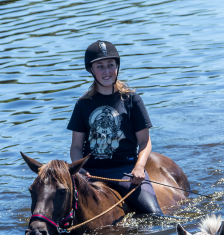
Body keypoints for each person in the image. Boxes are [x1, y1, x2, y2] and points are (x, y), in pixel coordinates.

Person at [67, 40, 164, 215]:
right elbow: (75, 147)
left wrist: (139, 167)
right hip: (91, 173)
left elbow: (145, 141)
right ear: (91, 70)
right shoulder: (82, 105)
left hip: (125, 171)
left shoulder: (132, 100)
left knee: (155, 215)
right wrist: (80, 170)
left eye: (110, 65)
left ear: (117, 66)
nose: (106, 71)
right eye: (100, 66)